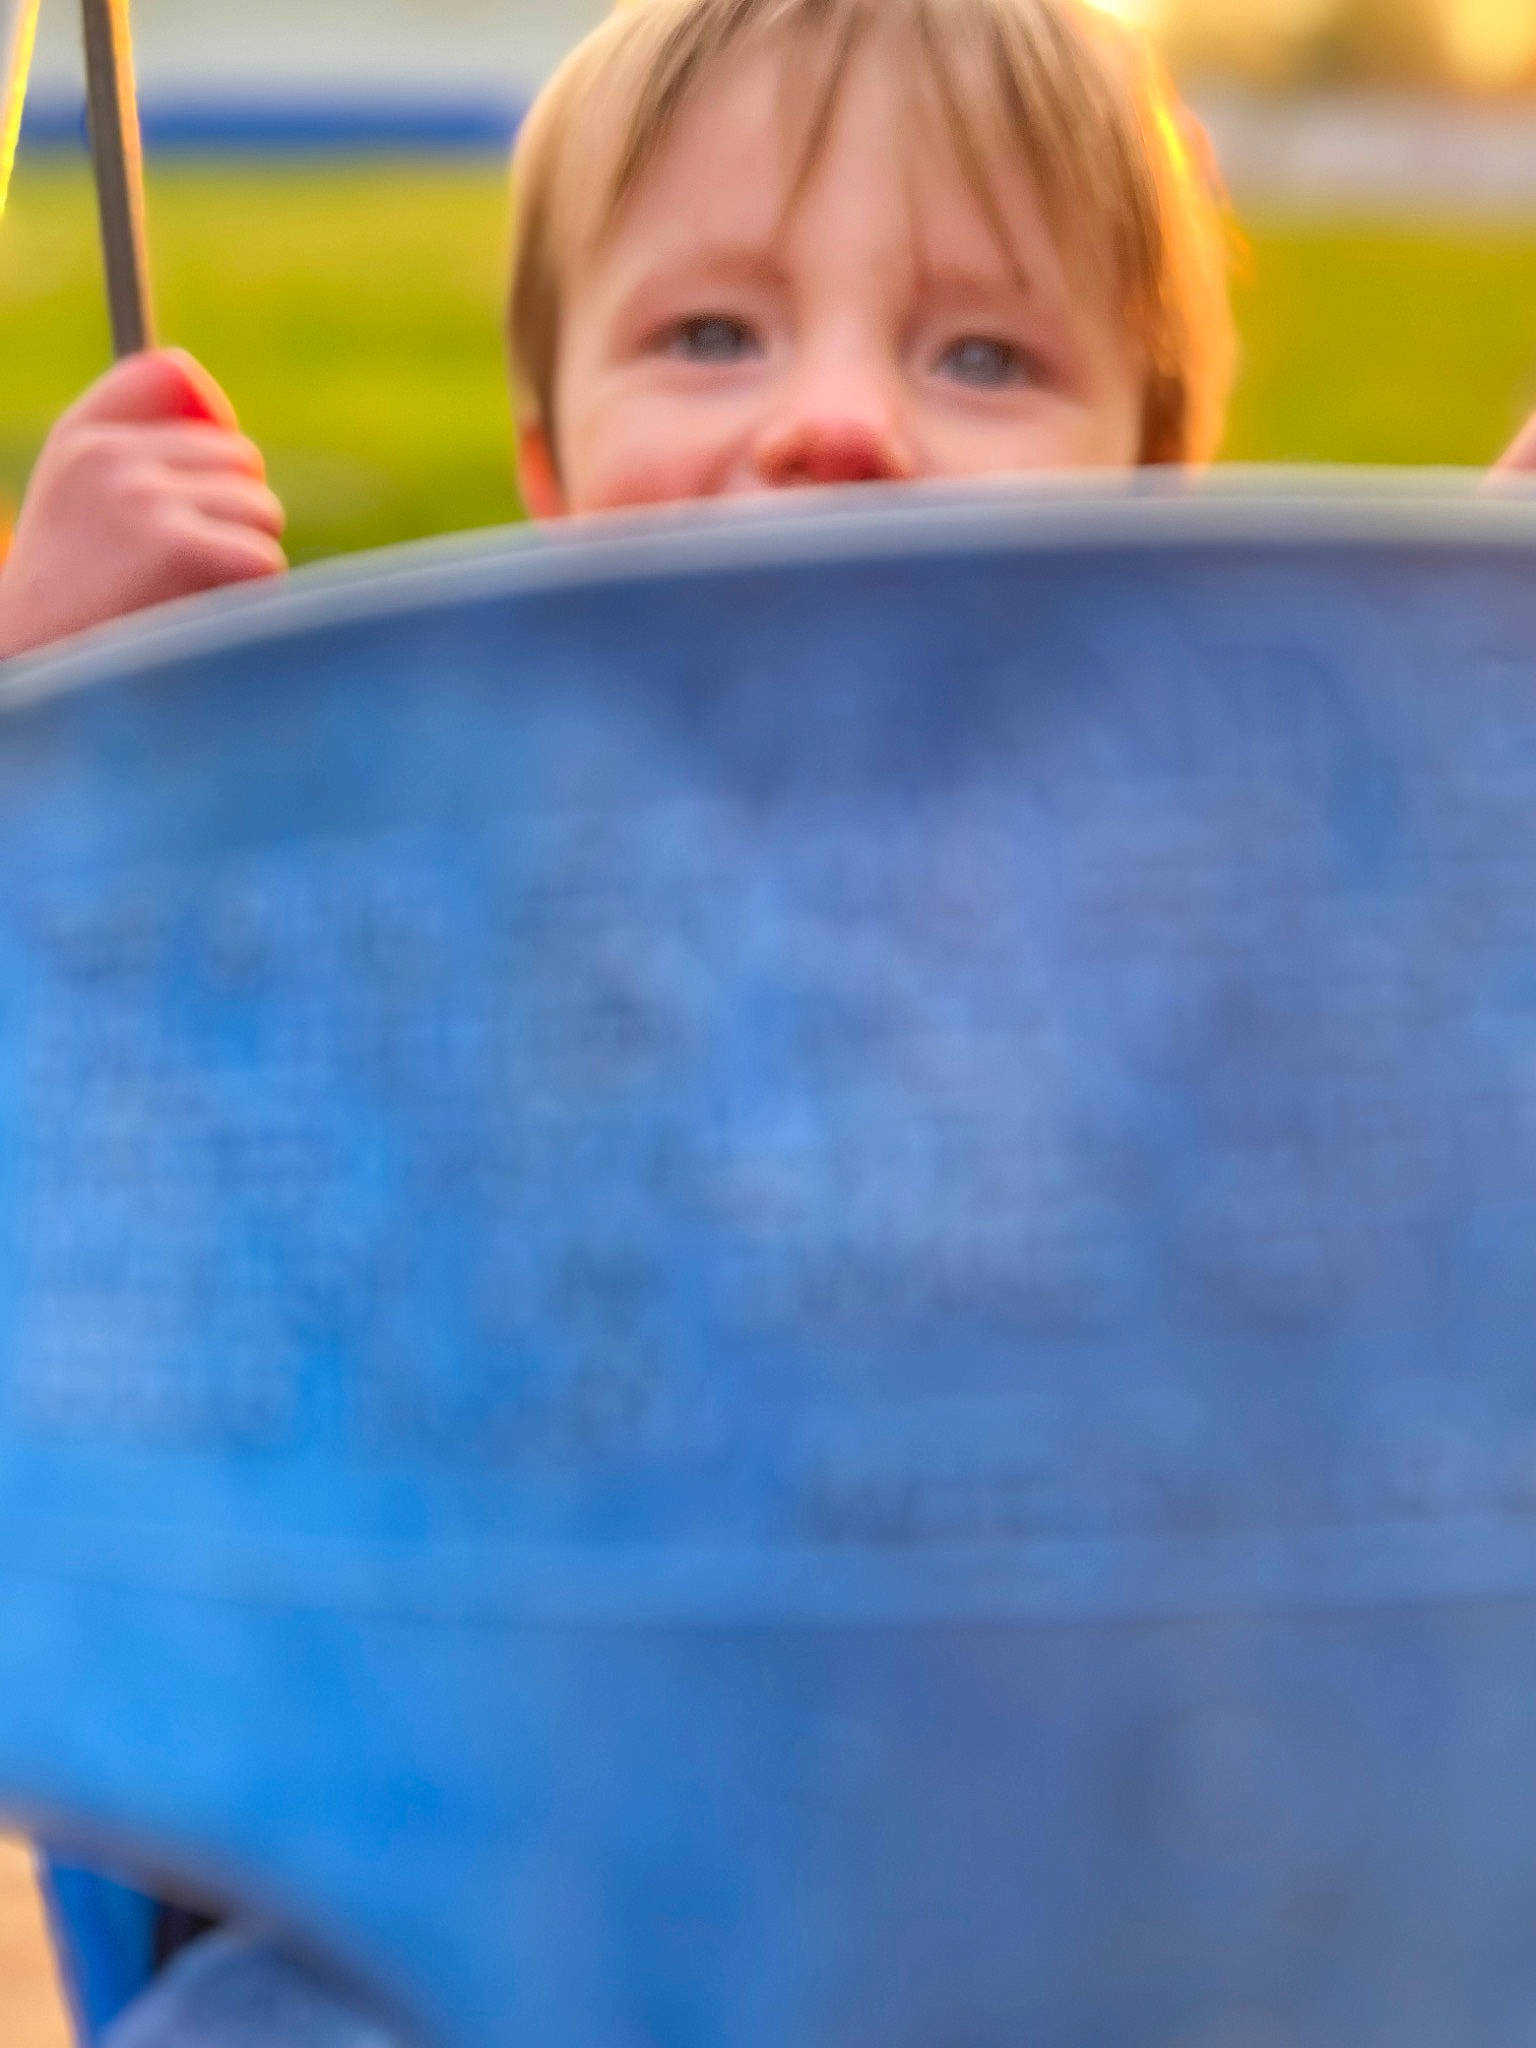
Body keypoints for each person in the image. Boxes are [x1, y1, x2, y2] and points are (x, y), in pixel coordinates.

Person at [1, 0, 1241, 663]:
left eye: (984, 357)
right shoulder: (429, 785)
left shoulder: (1258, 835)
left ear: (1155, 486)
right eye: (710, 335)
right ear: (553, 473)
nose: (841, 424)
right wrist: (55, 689)